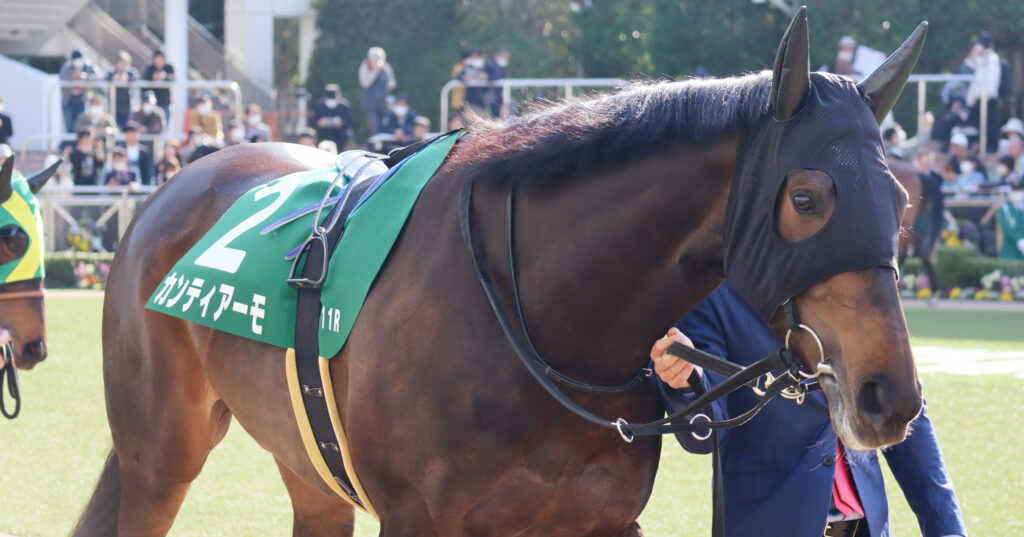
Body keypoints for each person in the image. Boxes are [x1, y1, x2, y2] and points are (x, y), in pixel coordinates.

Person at [650, 281, 968, 537]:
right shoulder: (711, 293)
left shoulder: (859, 280)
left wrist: (947, 529)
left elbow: (902, 407)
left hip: (866, 527)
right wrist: (690, 380)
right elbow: (704, 437)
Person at [964, 31, 1001, 153]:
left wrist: (987, 94)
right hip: (979, 98)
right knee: (981, 124)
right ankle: (982, 146)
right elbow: (970, 65)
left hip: (988, 97)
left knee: (990, 123)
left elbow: (993, 79)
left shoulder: (993, 59)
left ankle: (991, 147)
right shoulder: (981, 58)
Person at [59, 48, 101, 133]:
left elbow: (98, 77)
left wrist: (85, 77)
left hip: (83, 100)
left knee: (82, 126)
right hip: (69, 101)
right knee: (69, 126)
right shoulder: (67, 66)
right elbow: (62, 77)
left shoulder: (88, 65)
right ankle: (71, 145)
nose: (77, 61)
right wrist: (71, 76)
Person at [358, 47, 396, 135]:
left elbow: (392, 81)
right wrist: (374, 72)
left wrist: (390, 83)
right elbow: (364, 83)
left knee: (386, 123)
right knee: (374, 125)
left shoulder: (385, 67)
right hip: (371, 102)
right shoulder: (365, 67)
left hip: (383, 101)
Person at [106, 50, 141, 131]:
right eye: (120, 63)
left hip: (127, 107)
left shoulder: (131, 73)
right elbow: (105, 79)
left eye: (124, 63)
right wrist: (113, 79)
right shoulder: (112, 72)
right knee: (115, 129)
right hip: (114, 107)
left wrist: (127, 79)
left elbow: (138, 79)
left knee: (127, 129)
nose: (122, 66)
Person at [141, 49, 175, 125]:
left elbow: (173, 78)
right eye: (157, 59)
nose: (158, 61)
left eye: (161, 59)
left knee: (166, 125)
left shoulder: (169, 68)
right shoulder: (150, 69)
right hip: (152, 104)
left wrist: (164, 77)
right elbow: (145, 79)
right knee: (153, 125)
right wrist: (153, 77)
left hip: (165, 102)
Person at [313, 84, 351, 150]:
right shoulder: (320, 105)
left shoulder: (344, 106)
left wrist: (341, 123)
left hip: (339, 137)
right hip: (324, 136)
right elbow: (314, 121)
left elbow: (348, 122)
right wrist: (320, 122)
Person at [457, 48, 489, 117]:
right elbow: (459, 76)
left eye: (477, 57)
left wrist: (486, 77)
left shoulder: (487, 67)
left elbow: (493, 77)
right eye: (473, 57)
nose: (475, 59)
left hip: (482, 103)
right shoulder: (468, 67)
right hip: (470, 103)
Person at [485, 48, 510, 117]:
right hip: (491, 99)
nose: (505, 60)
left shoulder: (502, 67)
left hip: (499, 98)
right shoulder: (490, 65)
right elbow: (492, 78)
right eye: (504, 57)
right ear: (497, 56)